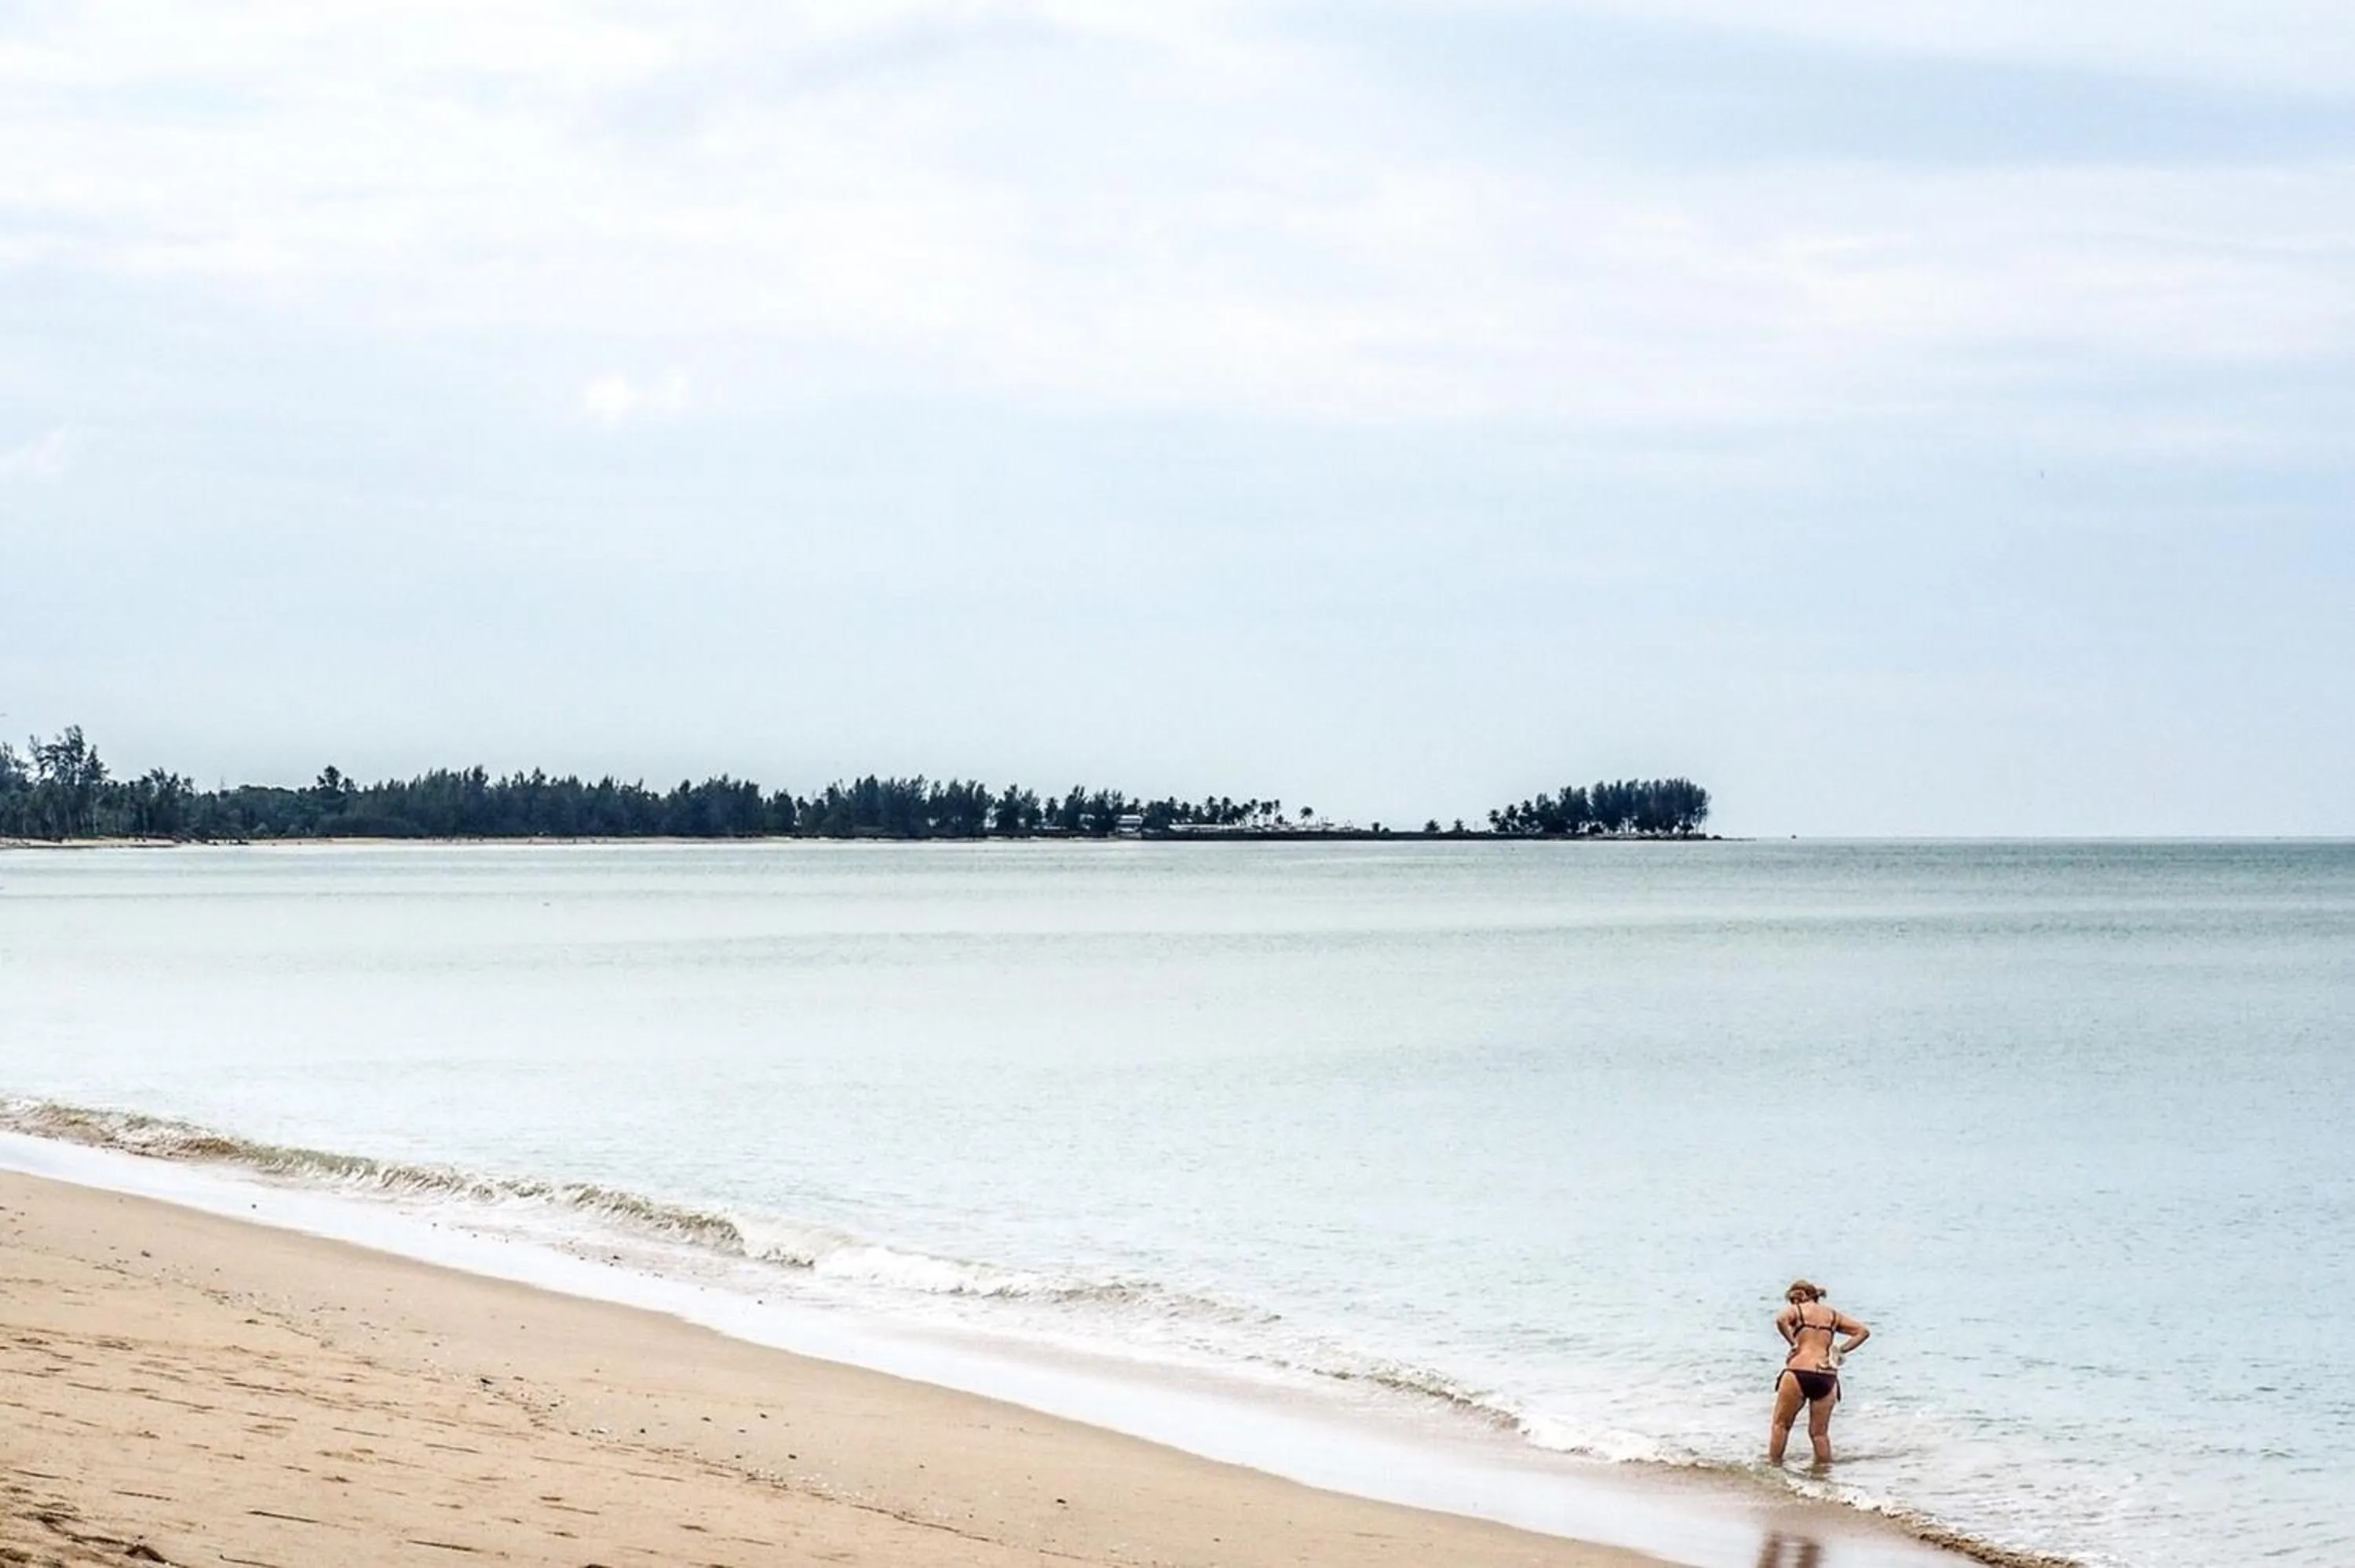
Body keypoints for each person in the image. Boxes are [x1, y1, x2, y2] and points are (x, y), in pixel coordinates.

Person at [1768, 1278, 1868, 1465]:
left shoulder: (1797, 1310)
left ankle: (1773, 1469)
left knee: (1781, 1425)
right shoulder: (1832, 1315)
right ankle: (1823, 1478)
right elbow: (1863, 1331)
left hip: (1799, 1370)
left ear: (1799, 1297)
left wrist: (1793, 1343)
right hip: (1826, 1375)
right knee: (1819, 1433)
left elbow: (1781, 1319)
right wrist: (1841, 1350)